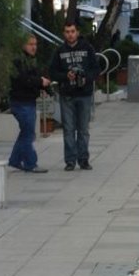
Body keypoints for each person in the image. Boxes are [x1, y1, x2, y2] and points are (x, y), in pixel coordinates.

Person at [50, 21, 99, 171]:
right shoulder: (60, 51)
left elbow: (96, 69)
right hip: (67, 95)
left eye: (72, 31)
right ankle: (70, 161)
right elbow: (52, 72)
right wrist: (66, 76)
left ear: (77, 32)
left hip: (84, 94)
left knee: (83, 129)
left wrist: (85, 78)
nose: (70, 34)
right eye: (67, 32)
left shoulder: (87, 48)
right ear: (64, 34)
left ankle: (83, 159)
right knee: (69, 129)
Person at [8, 34, 51, 173]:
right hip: (21, 102)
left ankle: (15, 160)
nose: (34, 47)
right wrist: (40, 82)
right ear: (23, 45)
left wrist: (44, 86)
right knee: (28, 133)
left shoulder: (30, 60)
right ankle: (30, 163)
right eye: (30, 44)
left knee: (26, 132)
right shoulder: (19, 61)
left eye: (35, 44)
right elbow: (24, 80)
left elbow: (33, 78)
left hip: (27, 101)